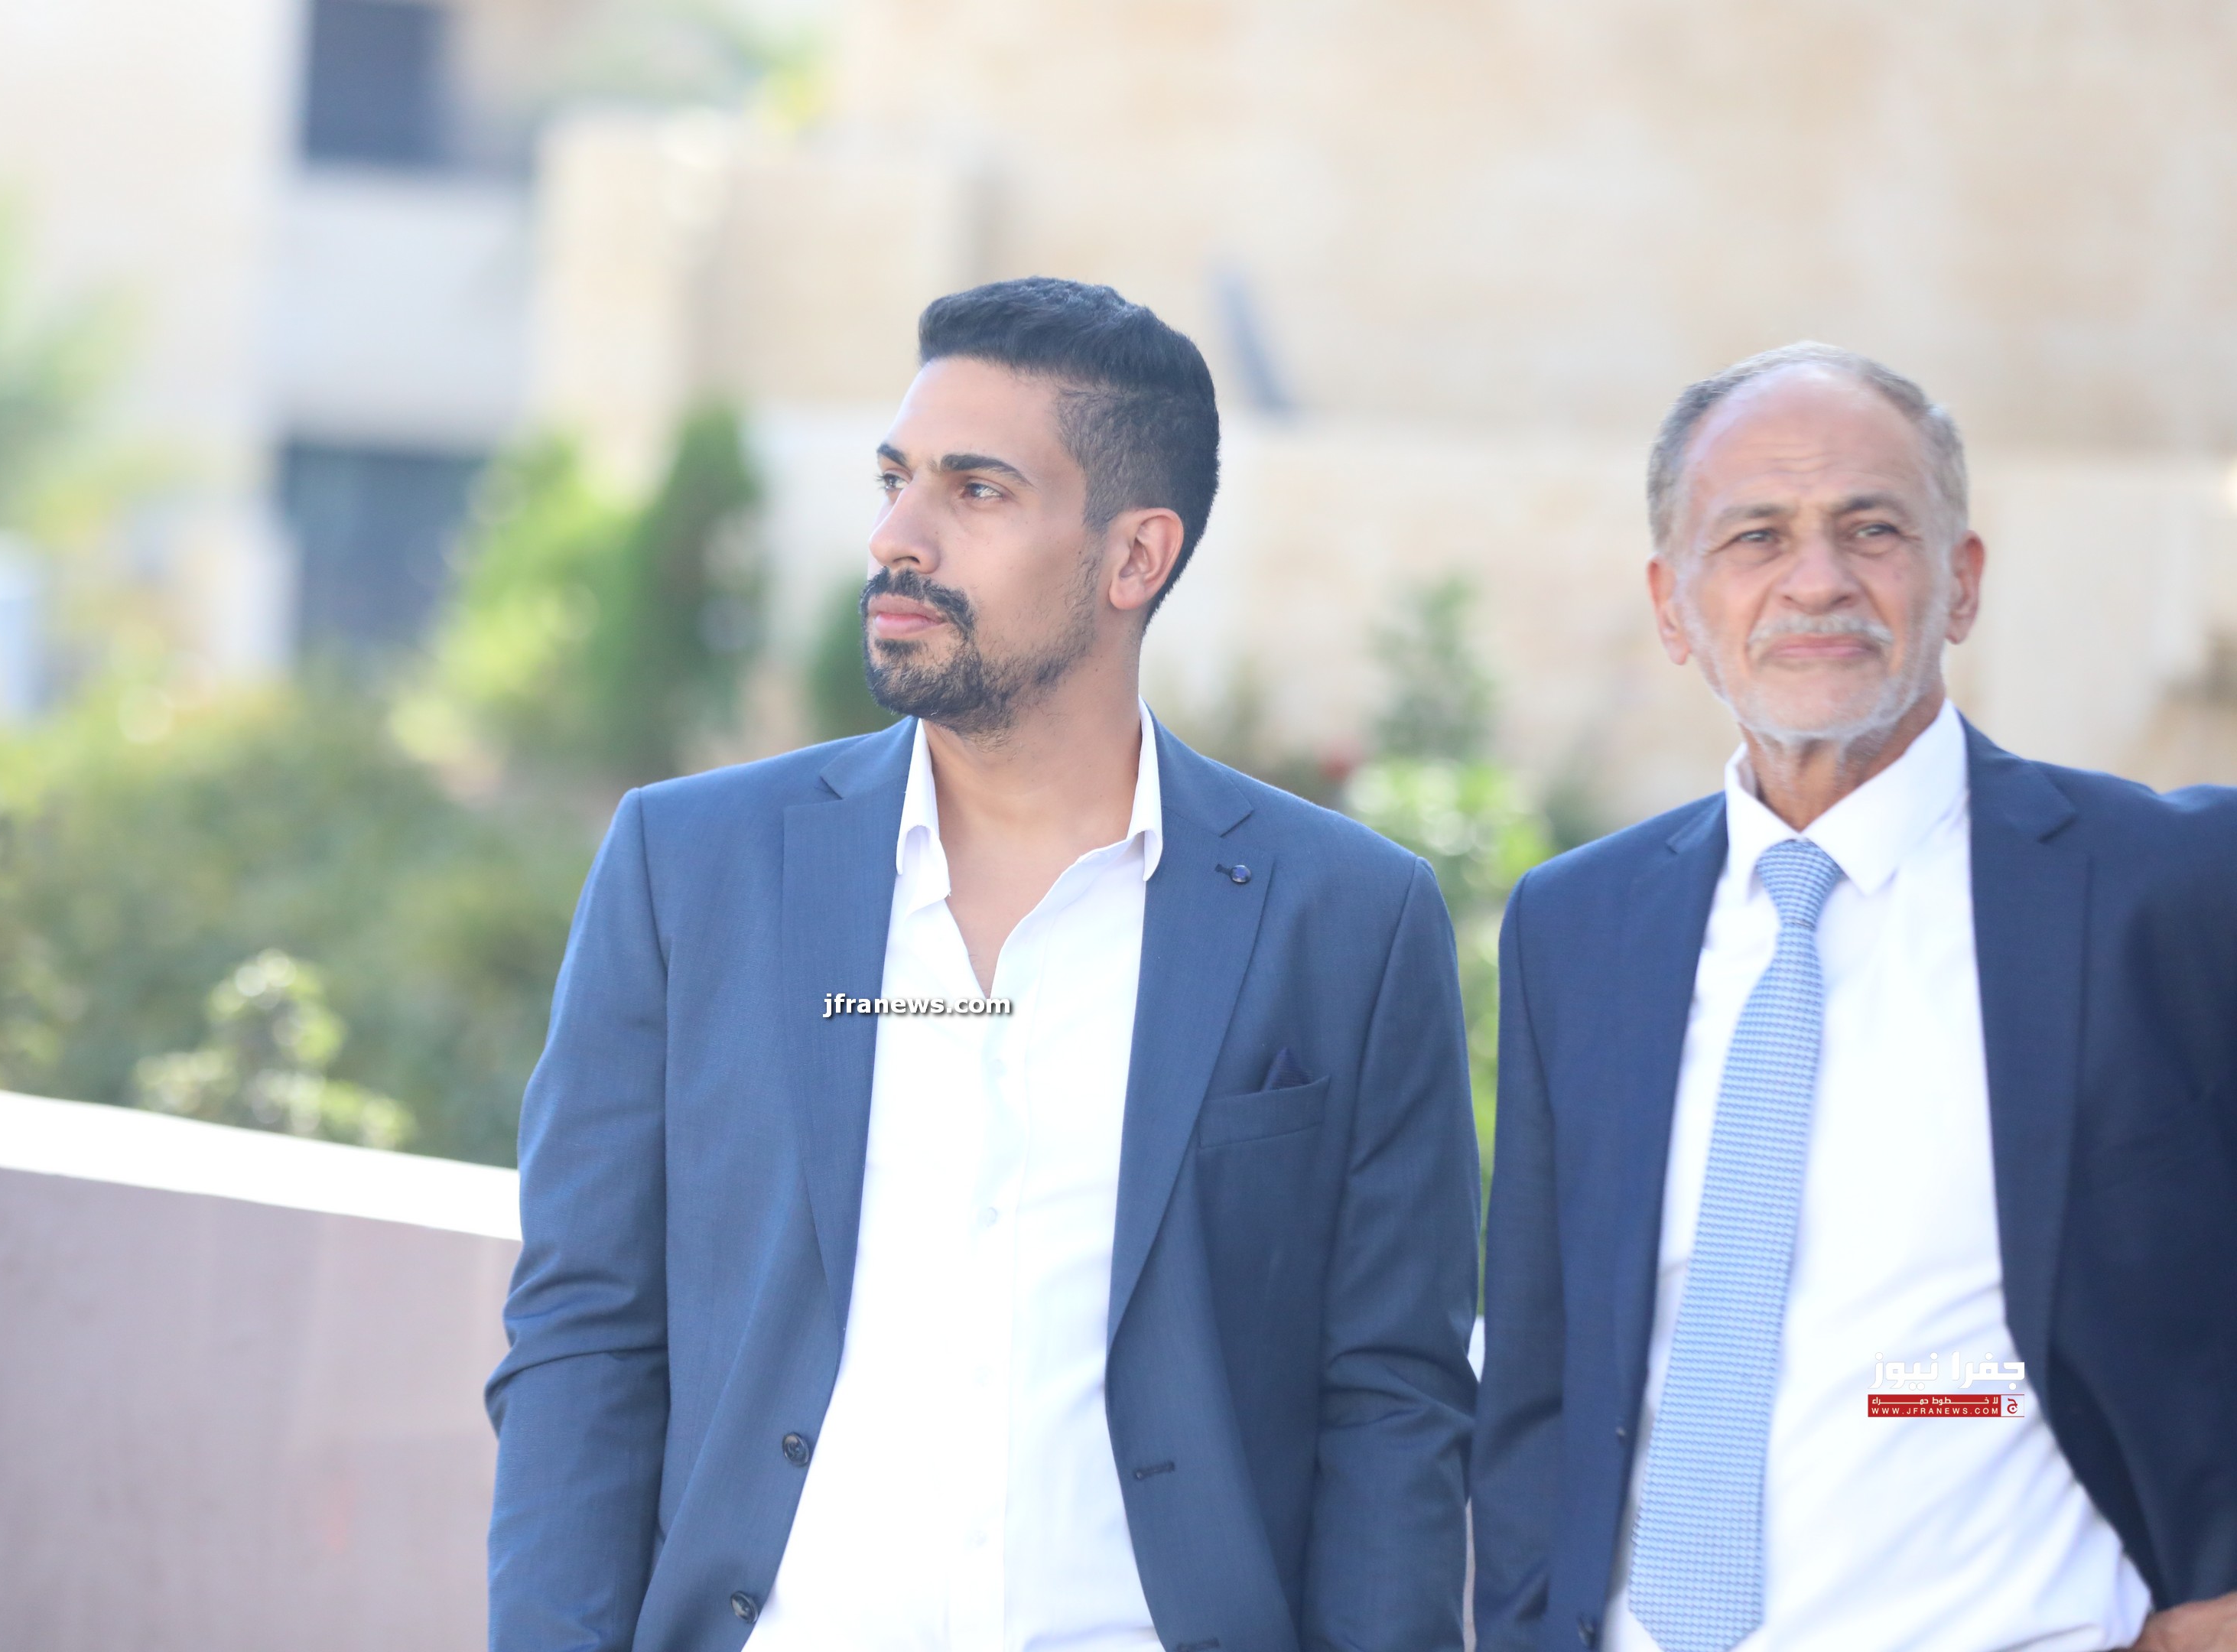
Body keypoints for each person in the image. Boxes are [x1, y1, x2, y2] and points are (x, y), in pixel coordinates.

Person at [487, 277, 1481, 1652]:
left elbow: (1390, 1401)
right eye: (895, 479)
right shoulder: (691, 868)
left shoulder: (1347, 918)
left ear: (1135, 558)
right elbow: (586, 1335)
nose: (897, 537)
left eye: (976, 491)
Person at [1470, 342, 2237, 1652]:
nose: (1817, 580)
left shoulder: (2168, 886)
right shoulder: (1580, 923)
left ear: (1962, 580)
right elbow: (1542, 1374)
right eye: (1756, 537)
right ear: (1673, 606)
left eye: (1872, 529)